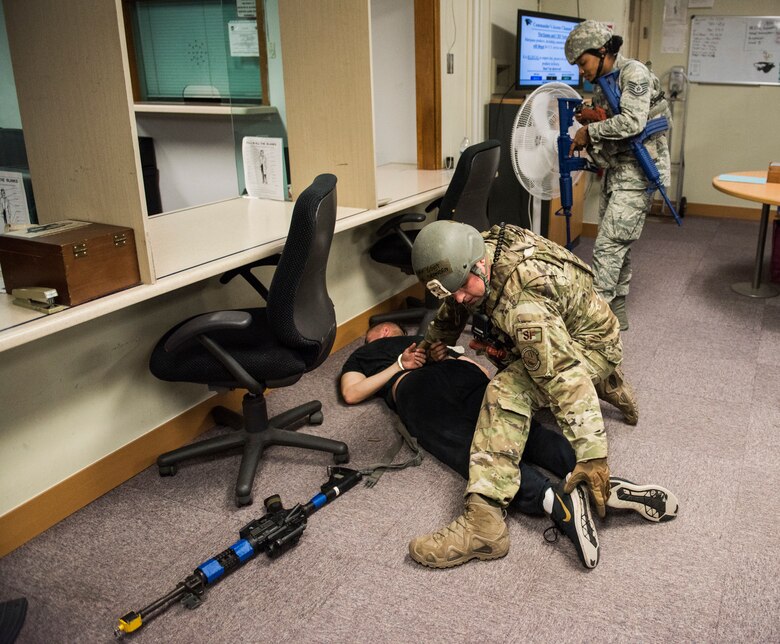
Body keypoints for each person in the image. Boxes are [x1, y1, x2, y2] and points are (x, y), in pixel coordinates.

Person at [340, 321, 677, 568]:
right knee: (519, 433)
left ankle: (552, 500)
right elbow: (353, 391)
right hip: (439, 379)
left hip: (426, 386)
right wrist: (405, 364)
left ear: (388, 333)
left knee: (476, 452)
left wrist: (422, 359)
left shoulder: (399, 345)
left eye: (387, 330)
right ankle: (594, 478)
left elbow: (354, 391)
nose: (385, 332)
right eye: (382, 331)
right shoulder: (383, 350)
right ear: (381, 336)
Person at [404, 219, 642, 569]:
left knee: (504, 392)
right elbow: (456, 302)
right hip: (578, 323)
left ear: (479, 265)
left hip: (585, 346)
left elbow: (562, 374)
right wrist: (435, 340)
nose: (457, 296)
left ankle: (484, 527)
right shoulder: (475, 249)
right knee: (503, 346)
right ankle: (609, 383)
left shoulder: (523, 304)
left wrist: (593, 455)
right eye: (448, 289)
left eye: (461, 285)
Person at [565, 20, 672, 331]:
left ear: (602, 52)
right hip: (618, 171)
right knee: (618, 243)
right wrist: (592, 119)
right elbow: (610, 131)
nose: (581, 72)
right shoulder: (604, 86)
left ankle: (593, 320)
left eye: (583, 63)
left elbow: (632, 123)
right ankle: (618, 307)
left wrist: (590, 130)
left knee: (609, 246)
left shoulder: (633, 73)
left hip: (640, 172)